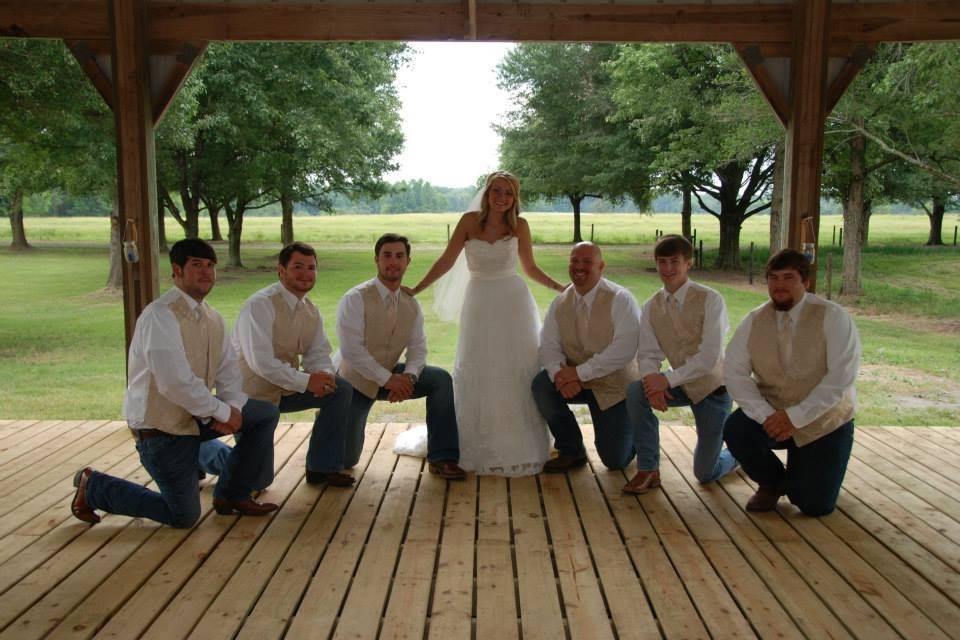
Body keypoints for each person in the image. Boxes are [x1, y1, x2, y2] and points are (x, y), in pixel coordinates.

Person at [71, 239, 280, 528]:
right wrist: (221, 413)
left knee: (263, 414)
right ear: (176, 271)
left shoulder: (212, 318)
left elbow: (228, 370)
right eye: (196, 265)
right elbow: (174, 383)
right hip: (161, 430)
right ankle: (93, 486)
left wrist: (232, 408)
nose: (206, 272)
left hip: (195, 419)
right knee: (183, 515)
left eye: (210, 266)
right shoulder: (160, 315)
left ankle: (231, 494)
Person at [406, 171, 564, 476]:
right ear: (487, 192)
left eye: (507, 192)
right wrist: (416, 289)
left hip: (513, 302)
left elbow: (530, 267)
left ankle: (522, 444)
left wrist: (560, 287)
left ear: (514, 198)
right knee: (480, 365)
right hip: (479, 301)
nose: (501, 197)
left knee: (517, 367)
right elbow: (446, 261)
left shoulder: (521, 226)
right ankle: (470, 443)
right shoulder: (468, 221)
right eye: (496, 190)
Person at [200, 242, 355, 487]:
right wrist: (306, 381)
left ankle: (322, 468)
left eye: (311, 268)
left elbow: (318, 351)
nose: (306, 274)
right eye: (298, 267)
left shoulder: (310, 310)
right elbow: (260, 362)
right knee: (258, 481)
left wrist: (323, 375)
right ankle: (201, 452)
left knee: (340, 389)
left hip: (286, 388)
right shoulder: (260, 305)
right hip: (250, 395)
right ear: (281, 271)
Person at [723, 249, 861, 516]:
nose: (780, 285)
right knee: (736, 429)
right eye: (773, 278)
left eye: (788, 277)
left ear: (805, 282)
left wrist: (795, 417)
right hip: (773, 412)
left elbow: (840, 378)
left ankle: (804, 478)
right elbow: (734, 373)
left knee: (813, 505)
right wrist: (767, 417)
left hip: (824, 421)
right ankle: (772, 482)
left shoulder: (833, 317)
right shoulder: (754, 320)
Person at [335, 233, 465, 479]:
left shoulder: (411, 303)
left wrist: (409, 378)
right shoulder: (355, 298)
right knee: (346, 459)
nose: (393, 262)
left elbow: (418, 348)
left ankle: (443, 458)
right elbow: (352, 350)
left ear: (408, 262)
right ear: (376, 259)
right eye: (387, 255)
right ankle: (331, 421)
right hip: (355, 381)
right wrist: (389, 380)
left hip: (393, 375)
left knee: (440, 380)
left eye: (399, 256)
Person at [625, 234, 738, 493]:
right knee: (635, 392)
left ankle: (736, 454)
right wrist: (652, 383)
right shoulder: (651, 306)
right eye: (662, 262)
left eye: (675, 261)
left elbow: (709, 357)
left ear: (689, 263)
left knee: (705, 473)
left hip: (713, 389)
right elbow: (648, 354)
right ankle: (648, 468)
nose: (667, 269)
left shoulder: (711, 299)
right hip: (678, 385)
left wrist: (665, 380)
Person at [533, 242, 642, 472]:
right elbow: (548, 346)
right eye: (574, 261)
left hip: (614, 386)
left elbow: (625, 349)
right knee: (542, 384)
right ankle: (571, 450)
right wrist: (560, 374)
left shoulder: (621, 299)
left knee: (615, 461)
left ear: (601, 267)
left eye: (586, 262)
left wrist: (577, 373)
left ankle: (640, 433)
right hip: (574, 380)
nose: (579, 267)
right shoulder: (560, 301)